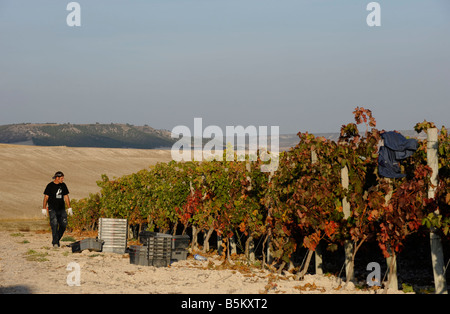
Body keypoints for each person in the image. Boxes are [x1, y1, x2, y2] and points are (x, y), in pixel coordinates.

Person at [42, 171, 73, 247]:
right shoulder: (50, 186)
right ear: (57, 178)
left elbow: (66, 196)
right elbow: (46, 197)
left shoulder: (63, 185)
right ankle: (55, 243)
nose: (63, 180)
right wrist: (43, 208)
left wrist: (69, 208)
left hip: (61, 208)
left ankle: (56, 240)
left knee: (64, 224)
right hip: (52, 208)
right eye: (61, 178)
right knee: (54, 224)